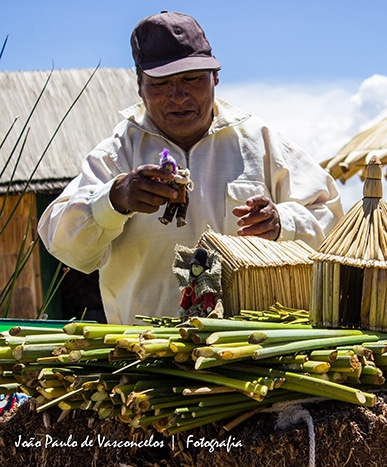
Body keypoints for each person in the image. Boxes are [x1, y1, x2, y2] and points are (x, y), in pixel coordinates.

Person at [38, 11, 344, 325]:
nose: (178, 95)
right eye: (160, 84)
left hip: (251, 348)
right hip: (146, 351)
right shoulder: (118, 153)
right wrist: (114, 199)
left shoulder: (259, 142)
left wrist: (284, 222)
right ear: (139, 86)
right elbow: (63, 244)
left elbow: (334, 224)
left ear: (215, 77)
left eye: (191, 79)